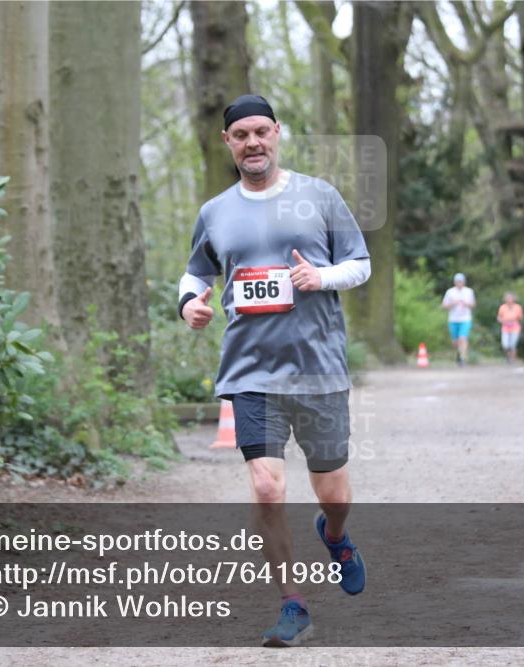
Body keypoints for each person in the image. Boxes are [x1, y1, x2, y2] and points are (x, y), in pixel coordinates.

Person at [178, 94, 370, 648]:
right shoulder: (215, 211)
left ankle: (336, 537)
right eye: (241, 135)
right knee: (266, 488)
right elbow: (195, 276)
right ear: (228, 143)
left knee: (332, 492)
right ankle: (293, 604)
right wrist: (189, 305)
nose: (253, 143)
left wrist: (321, 279)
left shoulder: (320, 196)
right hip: (250, 371)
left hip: (318, 369)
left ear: (277, 133)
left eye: (261, 131)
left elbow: (360, 263)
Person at [441, 273, 476, 366]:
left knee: (462, 338)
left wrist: (466, 303)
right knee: (455, 342)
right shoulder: (450, 292)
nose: (459, 283)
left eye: (461, 281)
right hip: (453, 319)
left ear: (464, 282)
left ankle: (463, 358)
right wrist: (453, 303)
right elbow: (443, 305)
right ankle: (459, 353)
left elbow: (473, 305)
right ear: (455, 282)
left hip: (465, 319)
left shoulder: (469, 291)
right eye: (457, 281)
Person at [496, 292, 524, 364]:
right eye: (507, 298)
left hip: (515, 327)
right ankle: (508, 357)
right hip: (505, 327)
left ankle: (512, 360)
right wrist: (504, 321)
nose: (509, 300)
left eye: (510, 298)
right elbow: (499, 317)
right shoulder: (502, 307)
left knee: (513, 344)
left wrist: (513, 321)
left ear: (513, 299)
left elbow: (521, 318)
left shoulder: (518, 307)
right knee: (505, 345)